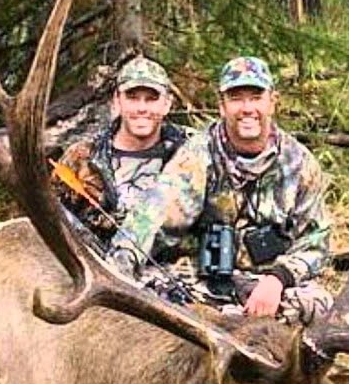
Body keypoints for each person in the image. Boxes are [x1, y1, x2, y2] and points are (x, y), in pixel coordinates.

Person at [107, 55, 333, 325]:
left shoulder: (300, 163)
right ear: (222, 105)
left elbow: (316, 242)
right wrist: (120, 262)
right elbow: (153, 214)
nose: (247, 108)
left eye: (255, 96)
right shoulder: (197, 155)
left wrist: (278, 279)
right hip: (202, 286)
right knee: (148, 301)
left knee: (320, 308)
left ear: (273, 101)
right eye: (236, 98)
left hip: (270, 287)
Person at [52, 55, 191, 258]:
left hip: (173, 276)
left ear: (167, 104)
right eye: (132, 97)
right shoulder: (81, 157)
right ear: (116, 101)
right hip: (96, 275)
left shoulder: (191, 154)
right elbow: (51, 220)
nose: (142, 108)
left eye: (152, 99)